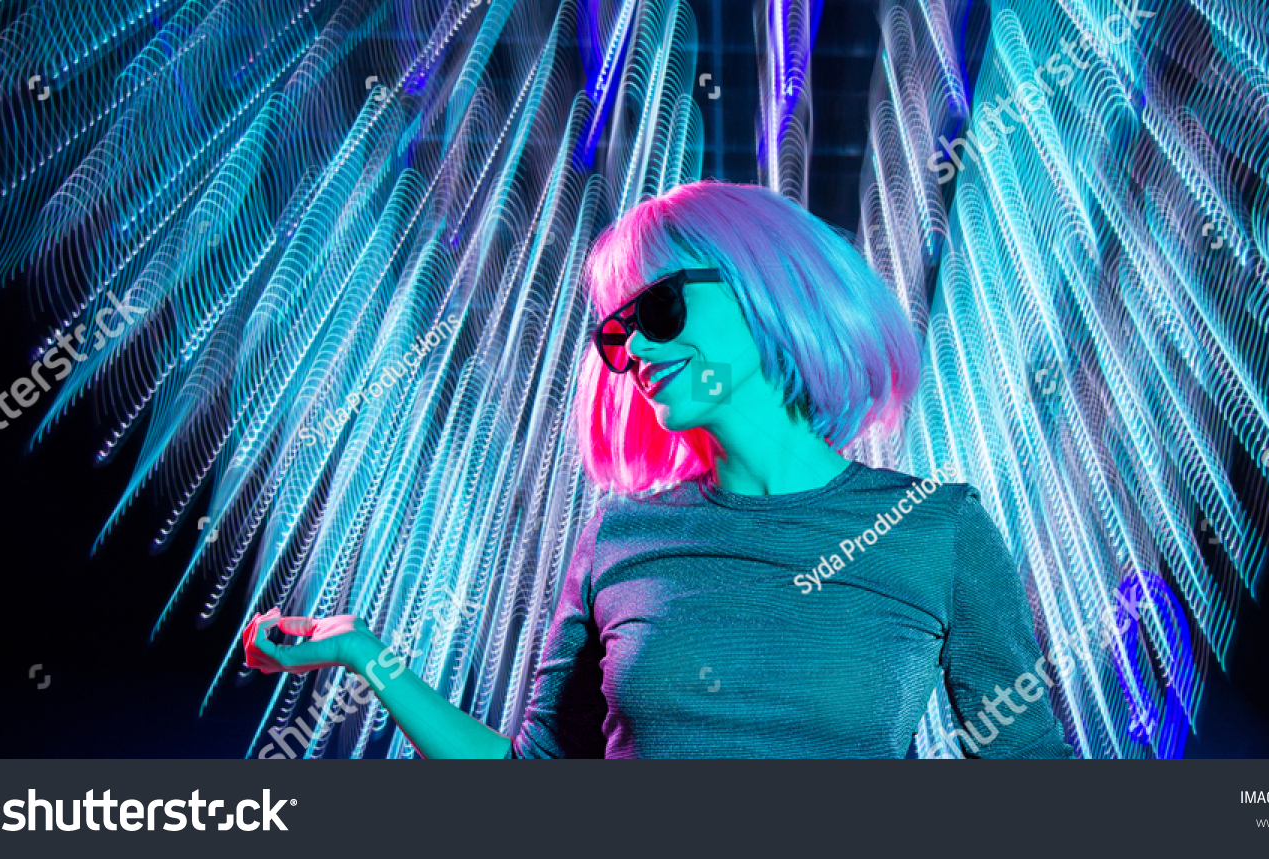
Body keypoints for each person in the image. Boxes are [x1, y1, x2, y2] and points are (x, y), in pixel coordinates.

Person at [246, 180, 1074, 759]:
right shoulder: (622, 538)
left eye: (659, 307)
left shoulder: (938, 531)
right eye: (617, 334)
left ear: (767, 288)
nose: (634, 346)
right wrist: (368, 657)